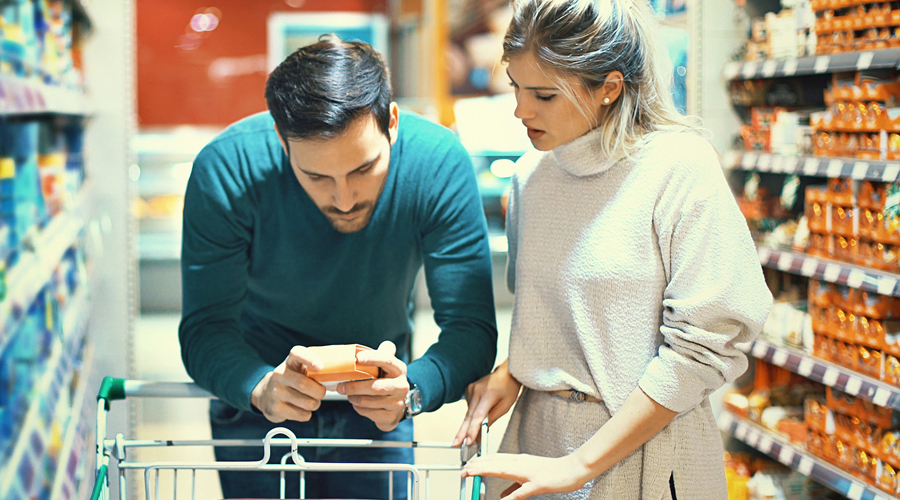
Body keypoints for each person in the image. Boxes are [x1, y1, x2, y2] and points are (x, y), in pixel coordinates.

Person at [454, 1, 773, 499]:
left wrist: (579, 466)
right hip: (536, 443)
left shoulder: (678, 167)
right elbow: (554, 311)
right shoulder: (530, 176)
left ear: (609, 87)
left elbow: (702, 348)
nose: (520, 110)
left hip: (645, 454)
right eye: (515, 86)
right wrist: (513, 372)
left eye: (543, 94)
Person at [179, 36, 498, 499]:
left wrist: (414, 387)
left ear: (391, 122)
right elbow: (205, 328)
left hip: (381, 404)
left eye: (363, 169)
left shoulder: (437, 163)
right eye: (317, 177)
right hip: (258, 401)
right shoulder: (227, 169)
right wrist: (259, 386)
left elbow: (470, 327)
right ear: (279, 138)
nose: (344, 199)